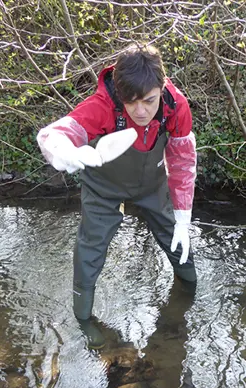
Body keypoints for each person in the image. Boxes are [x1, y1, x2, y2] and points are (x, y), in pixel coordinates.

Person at [36, 44, 198, 349]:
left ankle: (189, 288)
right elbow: (57, 132)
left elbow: (182, 162)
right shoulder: (104, 105)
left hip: (153, 185)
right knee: (90, 248)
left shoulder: (176, 106)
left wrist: (183, 218)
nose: (140, 111)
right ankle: (84, 319)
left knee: (176, 239)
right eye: (131, 102)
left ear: (162, 88)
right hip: (103, 188)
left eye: (149, 101)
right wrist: (60, 149)